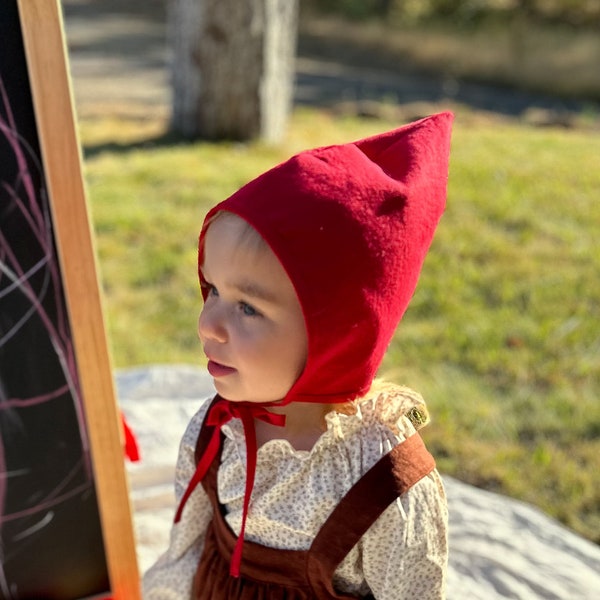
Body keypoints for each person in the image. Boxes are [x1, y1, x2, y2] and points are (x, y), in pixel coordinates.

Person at [143, 112, 454, 599]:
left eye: (247, 307)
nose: (207, 324)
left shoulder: (381, 480)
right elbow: (184, 552)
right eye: (211, 290)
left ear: (336, 335)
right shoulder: (218, 430)